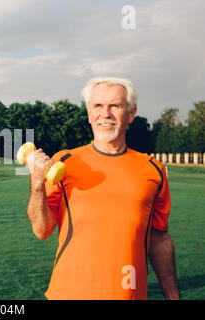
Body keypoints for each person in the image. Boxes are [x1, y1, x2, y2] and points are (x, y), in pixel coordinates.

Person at [26, 77, 180, 300]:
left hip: (129, 295)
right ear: (89, 114)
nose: (105, 114)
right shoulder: (64, 162)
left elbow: (159, 239)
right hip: (69, 294)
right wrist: (37, 184)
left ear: (131, 114)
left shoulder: (154, 170)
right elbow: (42, 230)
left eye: (115, 106)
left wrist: (173, 297)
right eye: (97, 106)